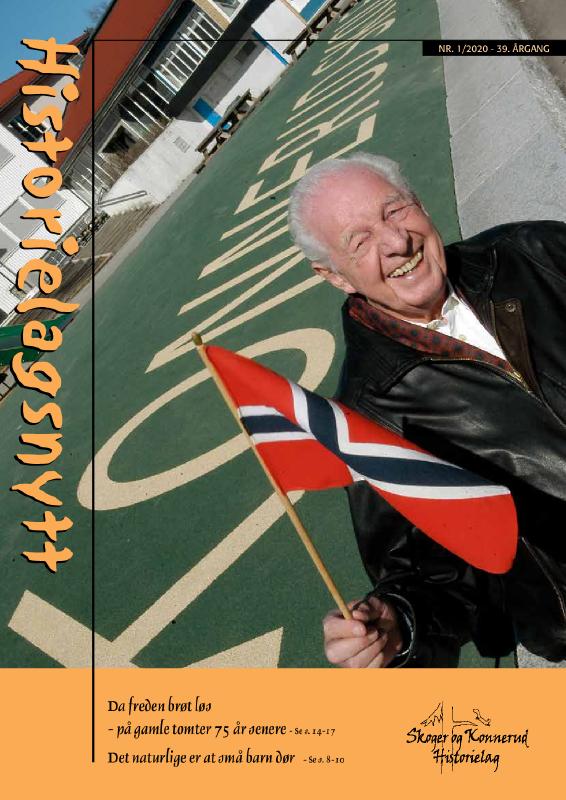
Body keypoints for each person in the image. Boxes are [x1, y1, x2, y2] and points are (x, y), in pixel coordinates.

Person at [287, 152, 566, 668]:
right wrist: (398, 622)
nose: (396, 242)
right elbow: (426, 570)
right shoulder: (369, 416)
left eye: (394, 211)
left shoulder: (534, 251)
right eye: (359, 242)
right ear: (335, 276)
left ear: (419, 204)